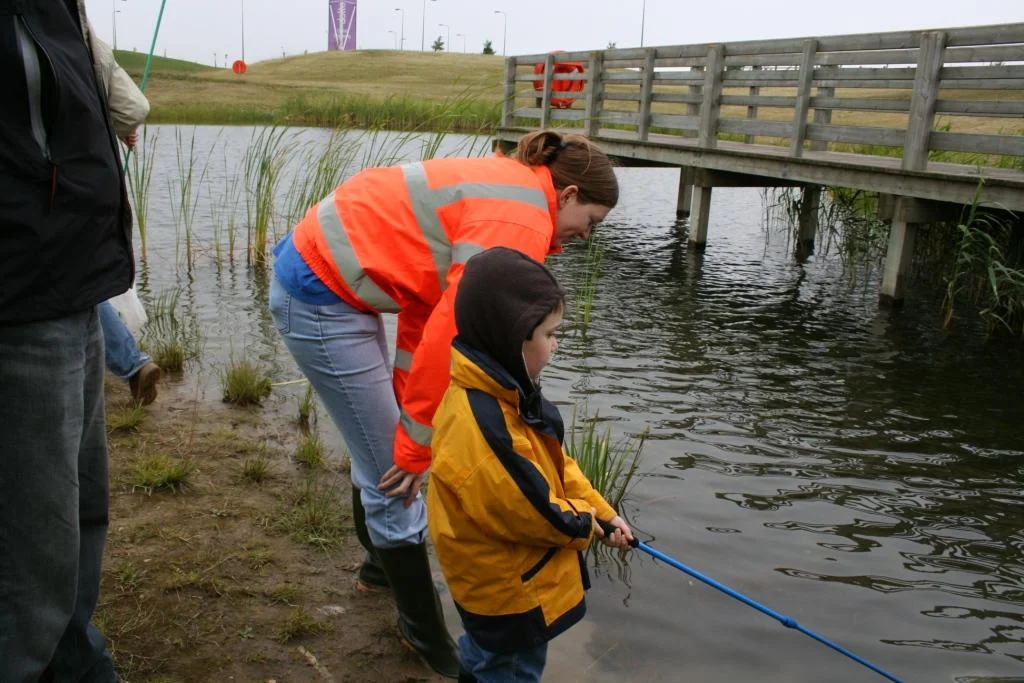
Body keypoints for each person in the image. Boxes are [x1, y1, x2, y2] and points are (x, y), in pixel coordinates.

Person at [269, 129, 619, 677]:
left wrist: (413, 418)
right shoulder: (519, 224)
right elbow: (451, 333)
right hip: (319, 290)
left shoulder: (518, 191)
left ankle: (380, 570)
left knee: (388, 443)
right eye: (590, 222)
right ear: (569, 193)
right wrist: (413, 447)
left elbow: (429, 315)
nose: (584, 237)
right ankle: (423, 633)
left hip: (335, 273)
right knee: (392, 468)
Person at [0, 1, 134, 680]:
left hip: (78, 276)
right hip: (21, 291)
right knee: (32, 543)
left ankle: (73, 654)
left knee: (82, 507)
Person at [427, 247, 634, 683]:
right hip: (508, 592)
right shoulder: (484, 426)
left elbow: (556, 468)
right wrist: (585, 526)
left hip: (492, 579)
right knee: (510, 669)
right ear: (513, 337)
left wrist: (602, 509)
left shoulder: (500, 392)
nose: (556, 344)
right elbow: (533, 509)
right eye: (550, 334)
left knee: (483, 657)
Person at [90, 25, 162, 406]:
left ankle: (131, 365)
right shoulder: (83, 35)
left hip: (45, 192)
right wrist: (121, 127)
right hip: (93, 185)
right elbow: (132, 108)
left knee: (73, 292)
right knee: (80, 287)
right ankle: (132, 365)